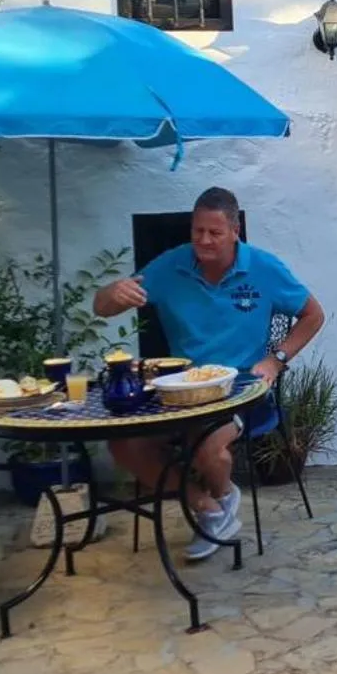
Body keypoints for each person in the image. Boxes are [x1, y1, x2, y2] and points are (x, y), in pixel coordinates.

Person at [93, 186, 324, 561]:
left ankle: (219, 501)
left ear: (235, 231)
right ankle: (208, 506)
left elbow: (314, 315)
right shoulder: (171, 266)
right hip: (177, 390)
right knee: (124, 444)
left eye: (215, 232)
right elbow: (102, 307)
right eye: (198, 231)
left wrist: (276, 359)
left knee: (209, 449)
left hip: (242, 389)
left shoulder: (264, 268)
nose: (204, 240)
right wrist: (111, 293)